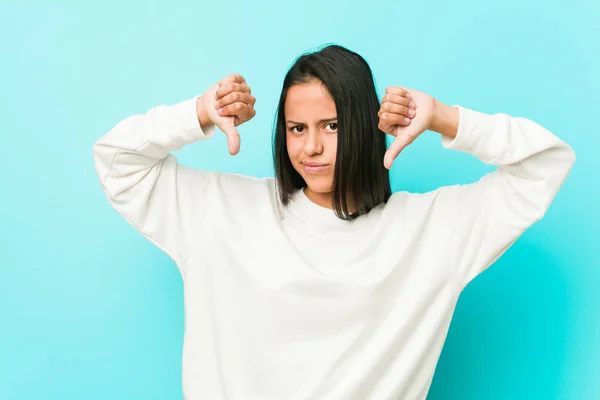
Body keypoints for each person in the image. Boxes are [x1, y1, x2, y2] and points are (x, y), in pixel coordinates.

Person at [92, 44, 575, 400]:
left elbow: (546, 163)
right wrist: (197, 113)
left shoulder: (429, 231)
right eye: (297, 128)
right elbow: (116, 161)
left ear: (366, 127)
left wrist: (444, 118)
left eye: (333, 126)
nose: (311, 147)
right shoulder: (220, 211)